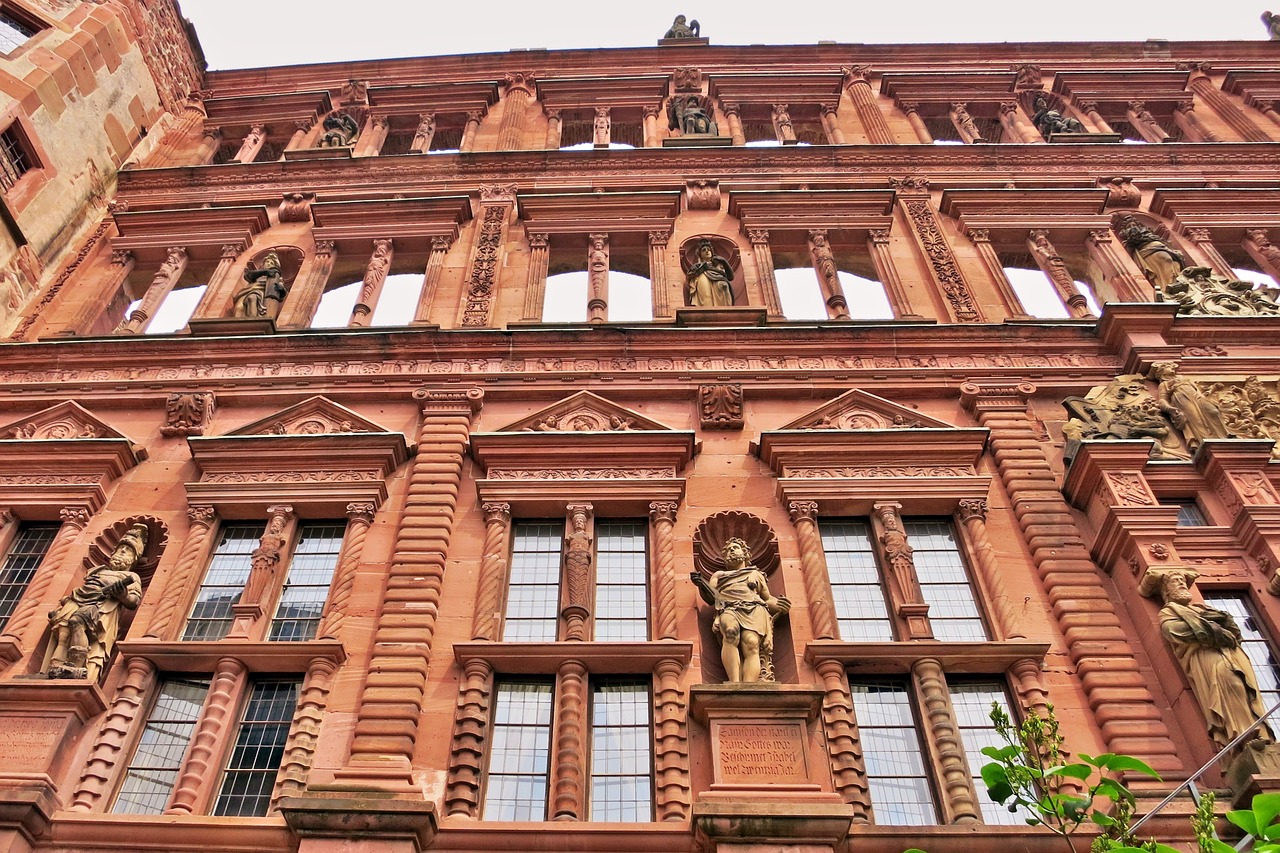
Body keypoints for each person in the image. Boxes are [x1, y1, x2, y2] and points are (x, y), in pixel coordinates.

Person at [1144, 568, 1274, 750]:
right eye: (1175, 581)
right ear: (1166, 591)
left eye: (1182, 580)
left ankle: (1259, 731)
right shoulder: (1169, 612)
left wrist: (1214, 625)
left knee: (1246, 689)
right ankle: (1238, 735)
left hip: (1232, 655)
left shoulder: (1202, 608)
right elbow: (1174, 631)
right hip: (1207, 657)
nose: (1181, 584)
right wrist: (1216, 630)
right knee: (1231, 685)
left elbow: (1233, 628)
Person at [45, 523, 146, 682]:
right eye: (121, 549)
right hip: (78, 601)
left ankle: (76, 666)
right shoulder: (97, 570)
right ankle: (53, 669)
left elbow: (133, 601)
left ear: (133, 559)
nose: (123, 552)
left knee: (77, 623)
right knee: (63, 634)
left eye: (128, 551)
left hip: (101, 608)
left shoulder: (132, 577)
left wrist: (122, 595)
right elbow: (84, 587)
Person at [691, 537, 790, 682]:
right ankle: (734, 683)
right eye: (728, 551)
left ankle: (748, 685)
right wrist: (701, 584)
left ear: (745, 553)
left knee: (751, 644)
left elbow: (766, 598)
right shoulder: (719, 575)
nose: (731, 551)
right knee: (730, 632)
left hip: (754, 609)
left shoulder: (755, 574)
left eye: (734, 548)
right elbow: (712, 597)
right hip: (729, 608)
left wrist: (782, 605)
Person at [1149, 360, 1230, 451]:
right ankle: (1205, 443)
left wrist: (1209, 393)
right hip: (1182, 400)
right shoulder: (1164, 384)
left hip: (1196, 397)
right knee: (1197, 420)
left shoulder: (1184, 378)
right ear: (1162, 372)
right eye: (1168, 367)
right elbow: (1162, 399)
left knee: (1213, 411)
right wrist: (1169, 409)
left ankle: (1224, 436)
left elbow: (1197, 391)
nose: (1172, 368)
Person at [234, 250, 287, 320]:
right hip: (246, 291)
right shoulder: (258, 274)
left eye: (271, 263)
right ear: (263, 263)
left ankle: (252, 321)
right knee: (239, 308)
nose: (268, 264)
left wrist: (282, 290)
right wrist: (265, 272)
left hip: (260, 293)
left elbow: (281, 290)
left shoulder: (275, 277)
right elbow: (248, 275)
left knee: (252, 298)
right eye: (267, 262)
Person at [686, 239, 734, 307]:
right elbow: (689, 276)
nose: (707, 251)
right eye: (704, 250)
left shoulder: (718, 263)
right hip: (703, 275)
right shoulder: (697, 266)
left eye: (708, 249)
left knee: (724, 286)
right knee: (706, 295)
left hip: (718, 278)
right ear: (700, 255)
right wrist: (696, 270)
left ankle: (725, 310)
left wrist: (724, 261)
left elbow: (731, 276)